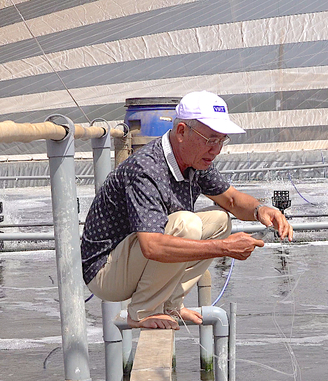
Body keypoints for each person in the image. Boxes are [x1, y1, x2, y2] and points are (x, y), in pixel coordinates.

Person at [81, 91, 293, 330]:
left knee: (220, 220)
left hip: (132, 261)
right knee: (186, 224)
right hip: (105, 272)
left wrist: (260, 210)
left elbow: (232, 200)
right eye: (211, 139)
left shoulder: (195, 159)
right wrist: (224, 248)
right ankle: (143, 311)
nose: (217, 149)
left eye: (222, 140)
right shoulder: (146, 169)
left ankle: (170, 304)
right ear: (182, 131)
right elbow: (152, 246)